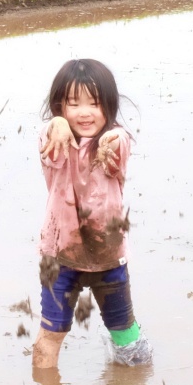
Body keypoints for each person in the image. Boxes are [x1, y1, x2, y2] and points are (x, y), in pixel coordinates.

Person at [31, 59, 152, 368]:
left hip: (107, 253)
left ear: (108, 107)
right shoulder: (54, 141)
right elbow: (48, 135)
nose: (84, 112)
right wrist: (56, 123)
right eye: (73, 104)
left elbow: (120, 141)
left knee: (126, 337)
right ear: (60, 106)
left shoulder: (115, 141)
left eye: (94, 104)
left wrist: (109, 141)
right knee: (51, 333)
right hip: (60, 254)